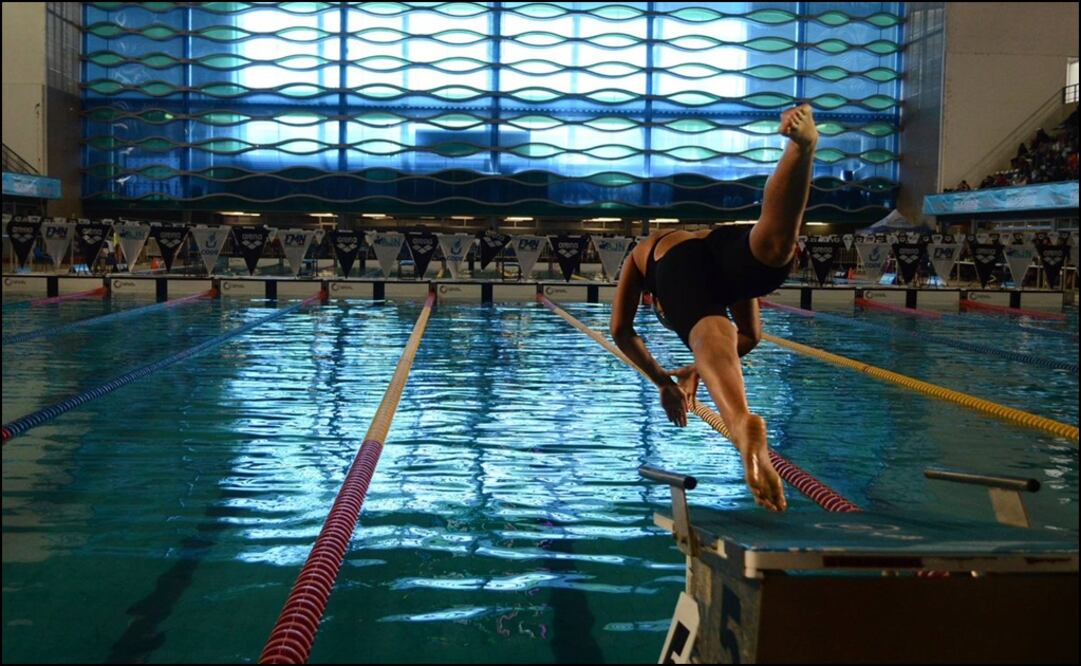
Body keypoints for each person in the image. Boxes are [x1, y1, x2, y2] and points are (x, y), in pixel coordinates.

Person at [609, 104, 819, 512]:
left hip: (678, 263)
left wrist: (663, 382)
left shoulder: (642, 253)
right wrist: (695, 369)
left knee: (708, 333)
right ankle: (801, 149)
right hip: (723, 244)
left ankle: (742, 423)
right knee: (774, 245)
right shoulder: (699, 260)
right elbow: (751, 336)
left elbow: (621, 329)